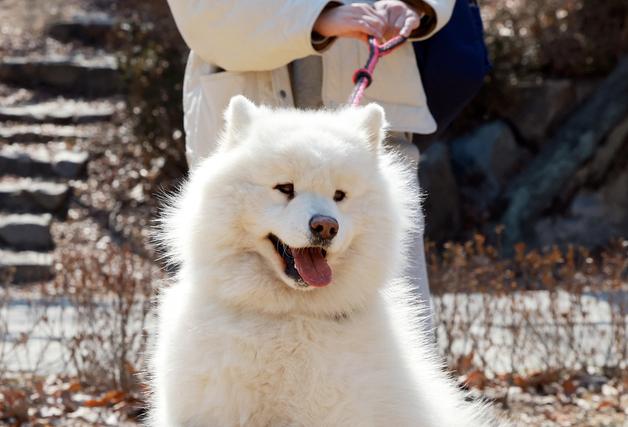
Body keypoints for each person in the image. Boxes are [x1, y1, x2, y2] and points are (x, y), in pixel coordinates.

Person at [166, 0, 457, 329]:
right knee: (235, 345)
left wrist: (413, 5)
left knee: (394, 329)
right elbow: (201, 14)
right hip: (252, 110)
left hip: (369, 116)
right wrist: (314, 18)